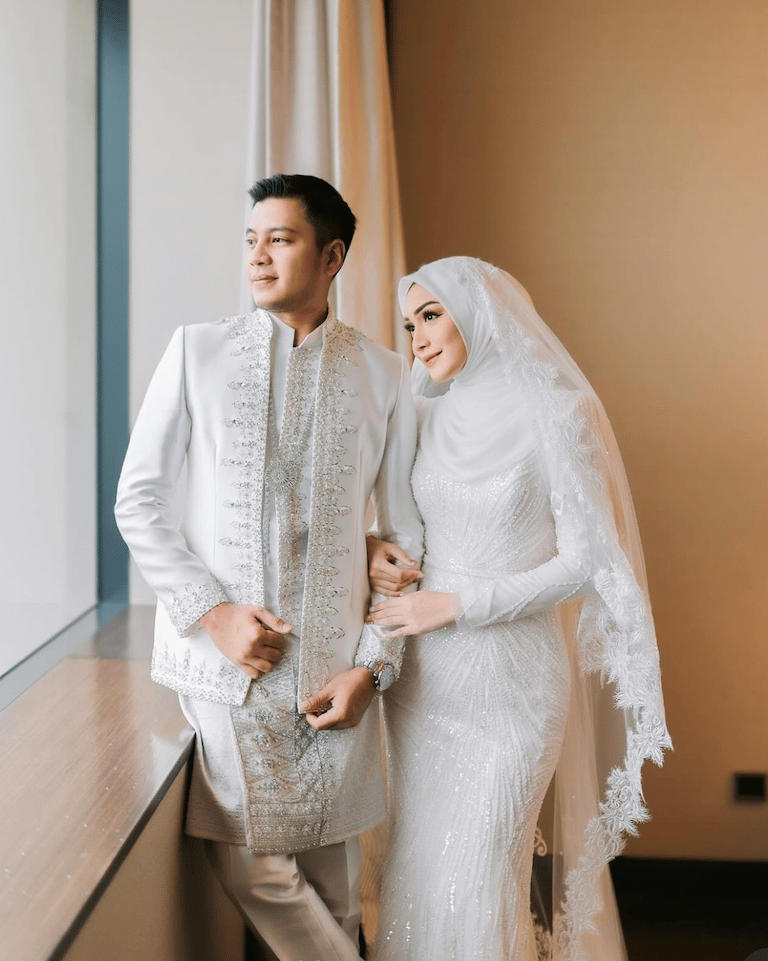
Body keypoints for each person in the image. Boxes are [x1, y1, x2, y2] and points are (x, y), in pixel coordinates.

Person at [115, 174, 422, 961]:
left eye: (279, 240)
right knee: (250, 863)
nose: (257, 256)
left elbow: (403, 544)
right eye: (251, 240)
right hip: (228, 667)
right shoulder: (197, 351)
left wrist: (372, 670)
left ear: (332, 256)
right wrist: (213, 614)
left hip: (336, 670)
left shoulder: (385, 374)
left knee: (335, 884)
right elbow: (138, 502)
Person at [366, 257, 671, 960]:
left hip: (513, 687)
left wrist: (459, 605)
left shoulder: (559, 412)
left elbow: (587, 561)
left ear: (480, 314)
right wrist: (375, 548)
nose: (417, 337)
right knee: (418, 872)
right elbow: (401, 525)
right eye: (409, 324)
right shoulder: (422, 413)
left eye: (432, 315)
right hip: (422, 685)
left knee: (478, 877)